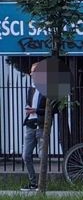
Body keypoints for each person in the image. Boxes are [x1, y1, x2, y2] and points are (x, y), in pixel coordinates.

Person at [21, 60, 48, 191]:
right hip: (30, 124)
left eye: (34, 72)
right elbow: (28, 103)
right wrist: (29, 109)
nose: (31, 74)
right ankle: (33, 182)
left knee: (42, 156)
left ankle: (42, 184)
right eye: (31, 72)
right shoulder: (31, 89)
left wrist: (36, 111)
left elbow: (51, 111)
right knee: (26, 155)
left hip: (42, 124)